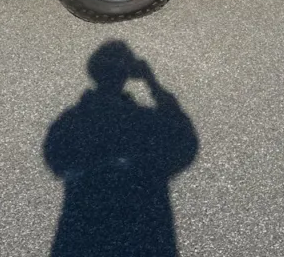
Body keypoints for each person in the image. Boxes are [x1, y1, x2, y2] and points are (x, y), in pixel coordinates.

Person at [45, 42, 199, 257]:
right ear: (129, 73)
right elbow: (184, 143)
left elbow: (56, 159)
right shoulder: (146, 121)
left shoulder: (71, 121)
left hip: (85, 221)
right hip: (144, 223)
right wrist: (152, 83)